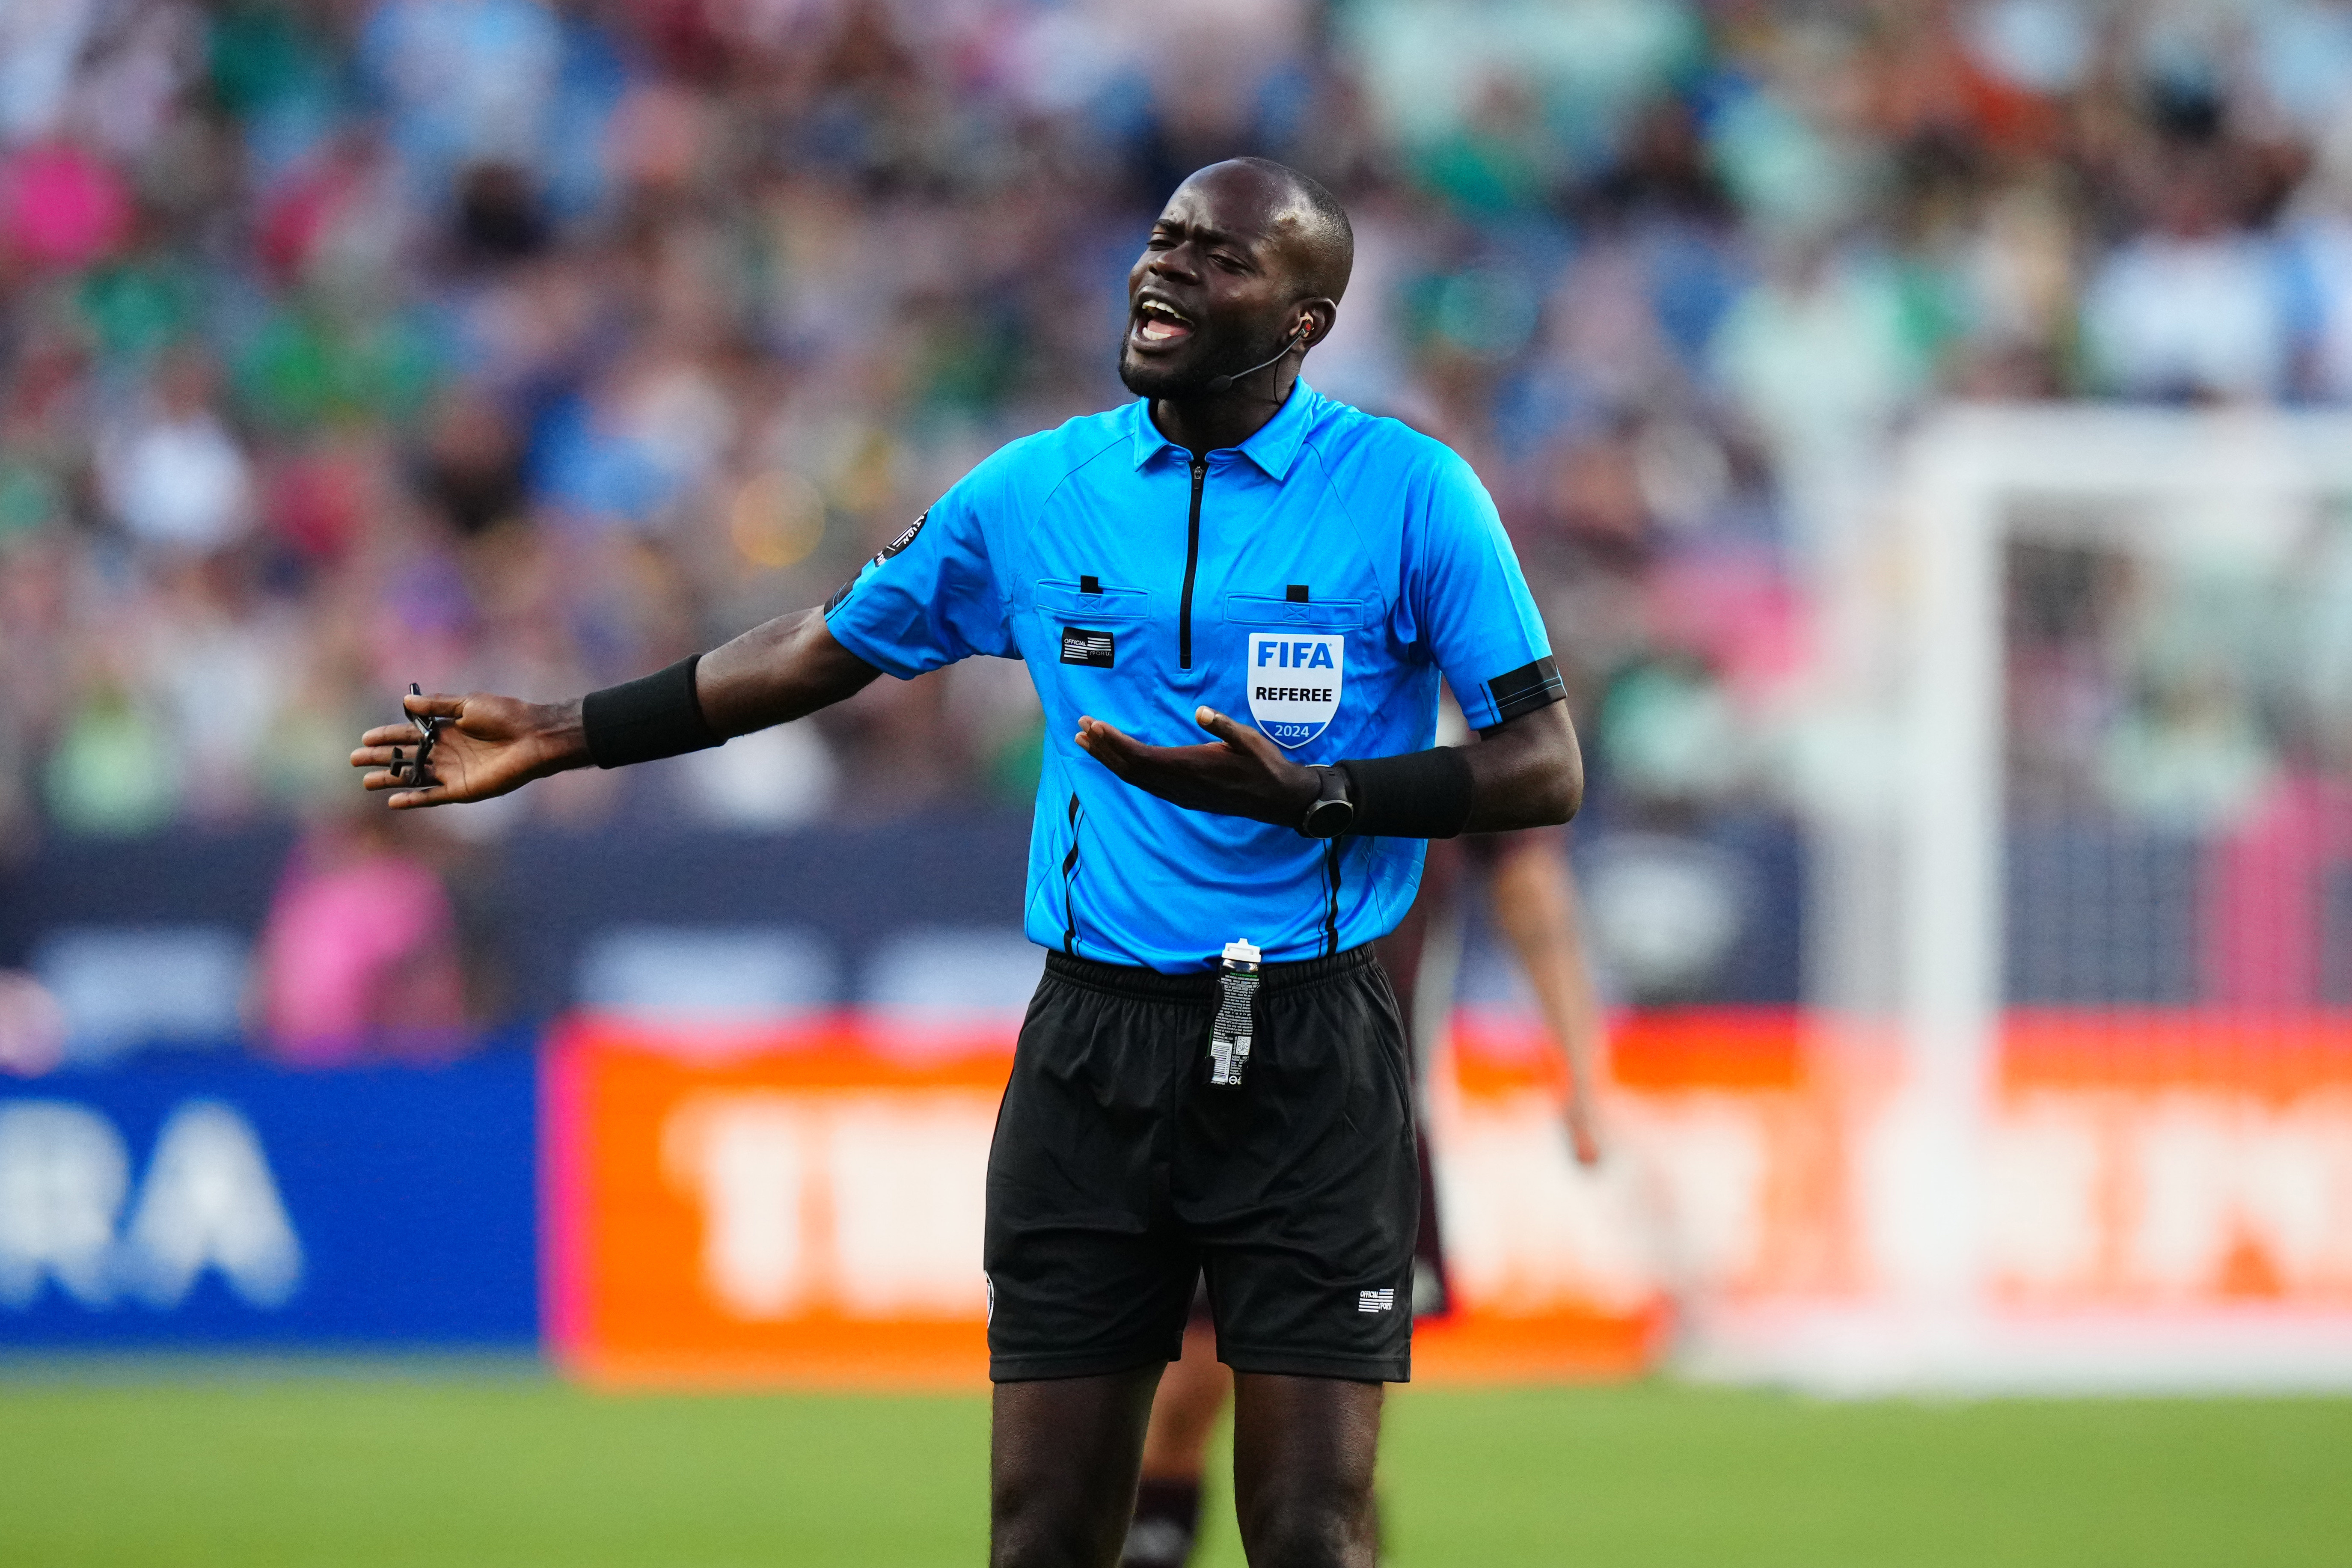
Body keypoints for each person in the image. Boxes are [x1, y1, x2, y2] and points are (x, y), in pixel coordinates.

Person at [351, 158, 1581, 1568]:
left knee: (1311, 1531)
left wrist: (1324, 793)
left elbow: (1542, 762)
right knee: (1041, 1533)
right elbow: (822, 646)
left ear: (1305, 322)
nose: (1165, 269)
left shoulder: (1411, 493)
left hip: (1311, 1044)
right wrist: (566, 730)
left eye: (1220, 258)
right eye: (1163, 239)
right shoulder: (1036, 489)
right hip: (1092, 1046)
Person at [1120, 822, 1606, 1568]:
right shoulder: (1233, 708)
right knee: (1184, 1395)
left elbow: (1531, 888)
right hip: (1214, 1102)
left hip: (1371, 1114)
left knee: (1335, 1426)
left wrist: (1579, 1070)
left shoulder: (1459, 722)